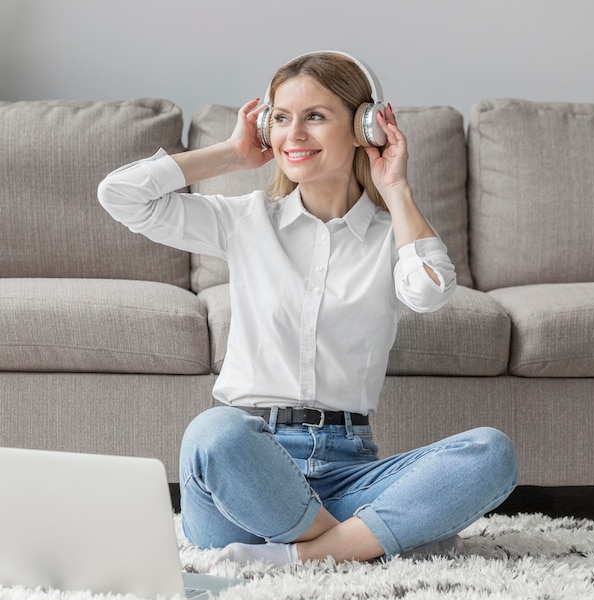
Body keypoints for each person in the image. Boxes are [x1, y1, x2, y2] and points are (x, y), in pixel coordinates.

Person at [98, 51, 517, 567]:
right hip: (246, 479)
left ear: (366, 127)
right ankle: (365, 541)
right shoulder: (246, 219)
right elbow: (119, 196)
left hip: (348, 472)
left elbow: (430, 290)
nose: (292, 134)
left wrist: (397, 188)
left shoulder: (392, 235)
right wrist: (231, 155)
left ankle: (303, 556)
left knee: (491, 454)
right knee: (214, 433)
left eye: (315, 116)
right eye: (280, 118)